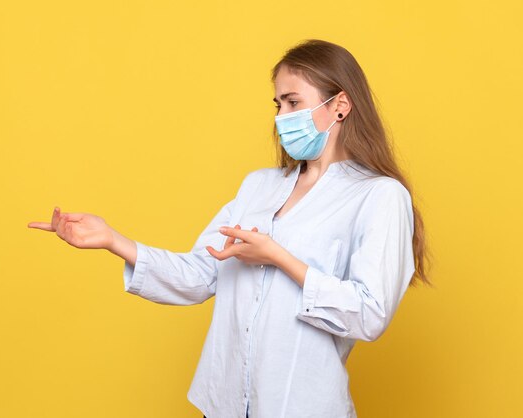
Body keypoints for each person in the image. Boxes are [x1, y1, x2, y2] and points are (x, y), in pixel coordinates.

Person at [28, 39, 431, 418]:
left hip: (299, 405)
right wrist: (113, 240)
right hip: (220, 404)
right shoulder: (258, 186)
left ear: (339, 105)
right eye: (277, 104)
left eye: (293, 102)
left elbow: (369, 314)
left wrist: (277, 257)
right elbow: (200, 275)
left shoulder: (378, 196)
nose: (281, 118)